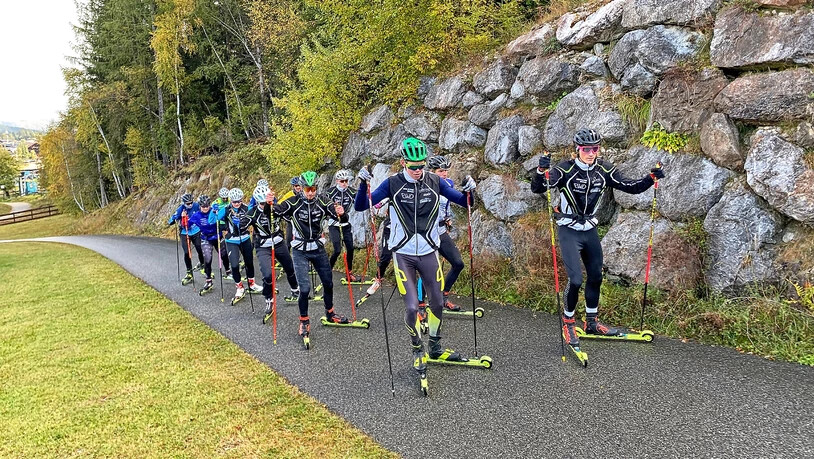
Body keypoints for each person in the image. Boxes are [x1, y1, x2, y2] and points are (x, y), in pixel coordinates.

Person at [354, 137, 478, 376]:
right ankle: (416, 347)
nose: (418, 171)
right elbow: (362, 206)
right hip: (404, 254)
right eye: (413, 166)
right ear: (403, 162)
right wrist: (362, 184)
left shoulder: (434, 181)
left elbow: (465, 202)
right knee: (412, 308)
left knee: (438, 303)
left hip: (429, 251)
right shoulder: (393, 183)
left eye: (421, 165)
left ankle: (434, 346)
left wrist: (470, 190)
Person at [531, 128, 665, 348]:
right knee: (576, 280)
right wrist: (541, 170)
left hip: (589, 229)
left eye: (595, 149)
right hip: (568, 229)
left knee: (596, 276)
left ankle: (591, 322)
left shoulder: (604, 170)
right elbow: (539, 187)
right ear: (577, 150)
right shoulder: (565, 169)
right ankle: (568, 322)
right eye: (586, 149)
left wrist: (651, 178)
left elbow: (631, 187)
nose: (591, 153)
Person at [268, 171, 351, 345]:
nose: (310, 192)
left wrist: (341, 213)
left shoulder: (322, 201)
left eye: (313, 188)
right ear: (301, 188)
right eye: (307, 189)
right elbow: (274, 211)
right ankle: (304, 321)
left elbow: (341, 217)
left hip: (318, 249)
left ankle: (330, 313)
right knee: (304, 289)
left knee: (328, 283)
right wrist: (269, 203)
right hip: (300, 251)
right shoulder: (293, 202)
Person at [248, 184, 299, 318]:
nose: (263, 204)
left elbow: (289, 216)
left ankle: (295, 289)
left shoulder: (276, 208)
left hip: (278, 242)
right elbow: (243, 223)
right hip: (263, 245)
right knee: (267, 274)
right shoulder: (252, 212)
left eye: (265, 202)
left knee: (289, 267)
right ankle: (269, 299)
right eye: (261, 203)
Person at [424, 154, 466, 312]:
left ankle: (443, 297)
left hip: (441, 230)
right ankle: (421, 305)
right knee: (427, 270)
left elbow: (447, 204)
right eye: (441, 171)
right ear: (432, 171)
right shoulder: (424, 185)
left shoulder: (448, 183)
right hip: (426, 233)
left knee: (458, 263)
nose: (445, 174)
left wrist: (447, 218)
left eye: (446, 170)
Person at [209, 187, 262, 304]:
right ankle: (239, 287)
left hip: (245, 238)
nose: (237, 204)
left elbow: (256, 218)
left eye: (239, 201)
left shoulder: (247, 208)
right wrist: (213, 211)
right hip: (231, 240)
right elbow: (212, 221)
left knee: (249, 263)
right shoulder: (226, 209)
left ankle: (252, 284)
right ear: (230, 201)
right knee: (234, 265)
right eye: (234, 202)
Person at [326, 169, 360, 281]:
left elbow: (360, 202)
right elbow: (324, 206)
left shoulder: (352, 192)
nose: (344, 183)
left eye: (346, 181)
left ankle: (349, 273)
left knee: (350, 248)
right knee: (337, 250)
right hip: (334, 223)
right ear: (337, 181)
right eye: (342, 181)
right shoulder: (330, 192)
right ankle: (328, 271)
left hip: (345, 223)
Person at [167, 193, 204, 285]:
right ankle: (189, 273)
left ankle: (203, 264)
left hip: (196, 230)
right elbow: (171, 220)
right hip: (185, 232)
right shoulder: (180, 209)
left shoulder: (196, 206)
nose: (190, 205)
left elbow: (204, 211)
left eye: (191, 202)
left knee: (199, 247)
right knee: (187, 252)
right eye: (187, 203)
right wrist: (174, 219)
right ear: (183, 203)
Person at [188, 195, 219, 294]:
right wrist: (183, 220)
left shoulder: (213, 211)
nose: (205, 208)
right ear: (200, 206)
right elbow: (187, 225)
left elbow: (223, 219)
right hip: (206, 238)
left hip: (217, 236)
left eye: (207, 206)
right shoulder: (196, 215)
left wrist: (218, 213)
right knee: (208, 259)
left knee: (224, 255)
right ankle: (208, 281)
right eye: (203, 206)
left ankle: (228, 271)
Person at [213, 187, 232, 279]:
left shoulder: (230, 200)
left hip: (228, 222)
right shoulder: (217, 202)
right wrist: (214, 210)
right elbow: (212, 211)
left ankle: (231, 250)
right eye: (223, 198)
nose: (225, 199)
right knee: (221, 242)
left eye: (226, 197)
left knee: (230, 236)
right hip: (220, 223)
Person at [278, 176, 303, 246]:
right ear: (293, 186)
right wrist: (285, 216)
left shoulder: (305, 193)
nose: (298, 187)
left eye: (299, 185)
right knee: (288, 241)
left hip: (303, 219)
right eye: (296, 186)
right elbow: (279, 205)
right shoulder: (288, 195)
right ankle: (288, 254)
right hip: (292, 220)